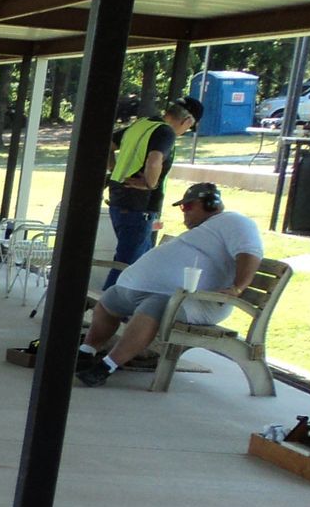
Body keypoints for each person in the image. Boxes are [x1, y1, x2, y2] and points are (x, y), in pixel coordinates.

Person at [77, 181, 261, 387]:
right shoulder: (205, 232)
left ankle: (106, 367)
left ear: (211, 204)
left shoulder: (234, 221)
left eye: (189, 206)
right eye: (183, 207)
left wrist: (238, 287)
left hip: (199, 302)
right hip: (153, 291)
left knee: (156, 306)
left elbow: (250, 253)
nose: (185, 212)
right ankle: (86, 353)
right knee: (111, 298)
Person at [103, 97, 202, 288]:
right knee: (127, 266)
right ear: (187, 121)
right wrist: (149, 184)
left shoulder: (143, 124)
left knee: (142, 263)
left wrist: (114, 170)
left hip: (120, 202)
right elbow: (154, 159)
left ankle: (124, 310)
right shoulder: (166, 132)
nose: (185, 132)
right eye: (189, 128)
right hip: (139, 208)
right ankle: (105, 308)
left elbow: (108, 145)